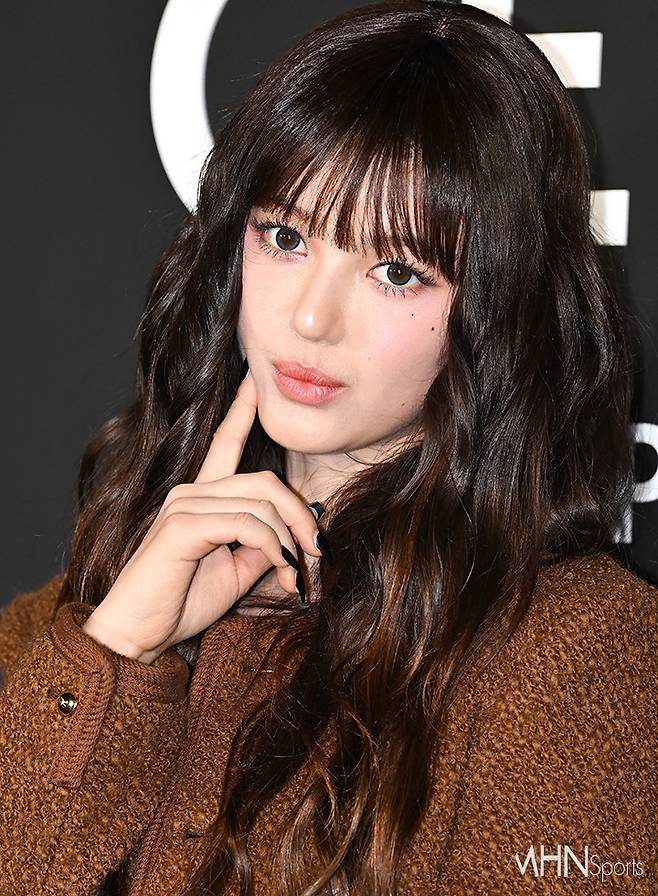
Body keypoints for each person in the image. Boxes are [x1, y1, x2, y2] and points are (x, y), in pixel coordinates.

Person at [0, 1, 655, 894]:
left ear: (501, 309)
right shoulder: (97, 592)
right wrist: (119, 650)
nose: (310, 318)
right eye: (286, 237)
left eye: (397, 272)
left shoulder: (577, 654)